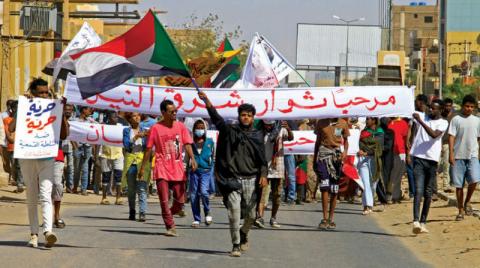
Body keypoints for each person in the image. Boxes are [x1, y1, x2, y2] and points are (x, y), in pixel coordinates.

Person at [198, 90, 267, 257]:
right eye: (243, 115)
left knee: (251, 215)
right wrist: (207, 101)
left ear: (253, 118)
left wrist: (263, 175)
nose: (246, 118)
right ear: (239, 116)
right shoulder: (230, 131)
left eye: (249, 115)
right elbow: (217, 119)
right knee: (234, 212)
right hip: (233, 179)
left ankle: (244, 232)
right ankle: (236, 244)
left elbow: (262, 160)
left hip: (251, 179)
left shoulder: (257, 135)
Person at [10, 78, 69, 248]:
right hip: (27, 155)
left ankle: (48, 232)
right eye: (40, 92)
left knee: (45, 193)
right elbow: (12, 128)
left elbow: (64, 135)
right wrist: (22, 108)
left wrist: (62, 113)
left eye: (46, 92)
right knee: (31, 196)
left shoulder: (54, 108)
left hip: (47, 156)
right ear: (33, 93)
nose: (44, 95)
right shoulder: (26, 106)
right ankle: (33, 234)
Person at [138, 100, 197, 237]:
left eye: (176, 111)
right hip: (161, 167)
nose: (175, 113)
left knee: (180, 201)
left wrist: (193, 158)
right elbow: (148, 149)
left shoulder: (181, 127)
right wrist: (143, 168)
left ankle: (169, 213)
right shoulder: (156, 128)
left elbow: (187, 144)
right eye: (171, 111)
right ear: (163, 113)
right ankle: (170, 226)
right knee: (164, 200)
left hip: (177, 168)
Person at [410, 99, 448, 233]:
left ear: (440, 110)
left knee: (428, 192)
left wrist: (420, 121)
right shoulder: (422, 116)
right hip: (419, 159)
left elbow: (433, 135)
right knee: (419, 190)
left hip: (432, 161)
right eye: (430, 108)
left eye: (434, 109)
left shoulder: (443, 122)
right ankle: (415, 221)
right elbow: (405, 109)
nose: (431, 110)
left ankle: (423, 221)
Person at [256, 120, 293, 228]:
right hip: (264, 168)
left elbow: (290, 138)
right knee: (262, 195)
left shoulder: (281, 130)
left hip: (278, 167)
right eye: (266, 124)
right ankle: (260, 218)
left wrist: (288, 128)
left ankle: (273, 218)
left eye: (270, 124)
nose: (268, 126)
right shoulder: (259, 133)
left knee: (277, 195)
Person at [448, 95, 480, 221]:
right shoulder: (456, 119)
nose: (469, 109)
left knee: (474, 179)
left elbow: (478, 138)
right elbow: (451, 137)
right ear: (462, 106)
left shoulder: (477, 121)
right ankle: (460, 209)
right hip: (458, 156)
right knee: (459, 185)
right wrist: (451, 154)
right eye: (467, 106)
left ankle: (467, 201)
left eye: (472, 107)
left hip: (472, 155)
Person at [314, 118, 349, 230]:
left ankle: (331, 219)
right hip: (323, 155)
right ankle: (324, 218)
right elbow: (318, 141)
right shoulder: (321, 122)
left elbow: (346, 140)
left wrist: (345, 152)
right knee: (324, 186)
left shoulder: (343, 123)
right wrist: (315, 158)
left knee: (334, 189)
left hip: (336, 158)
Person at [123, 112, 149, 221]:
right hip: (130, 162)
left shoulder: (145, 130)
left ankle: (142, 212)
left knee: (142, 188)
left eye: (138, 115)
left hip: (141, 162)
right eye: (134, 116)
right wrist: (136, 137)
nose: (137, 117)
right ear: (130, 119)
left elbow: (148, 146)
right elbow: (127, 146)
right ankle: (132, 211)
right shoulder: (126, 131)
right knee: (131, 190)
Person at [189, 119, 215, 228]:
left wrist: (212, 169)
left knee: (204, 192)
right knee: (194, 195)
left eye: (201, 128)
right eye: (197, 128)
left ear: (205, 130)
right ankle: (197, 219)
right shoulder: (190, 143)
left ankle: (207, 211)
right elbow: (187, 157)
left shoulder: (210, 142)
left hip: (206, 171)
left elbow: (213, 156)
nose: (199, 130)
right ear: (194, 130)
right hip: (194, 172)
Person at [357, 117, 384, 215]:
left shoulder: (380, 132)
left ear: (374, 121)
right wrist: (361, 151)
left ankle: (369, 204)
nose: (367, 121)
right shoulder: (363, 132)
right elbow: (360, 144)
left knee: (373, 184)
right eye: (367, 119)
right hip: (363, 160)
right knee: (365, 183)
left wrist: (367, 152)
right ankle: (367, 206)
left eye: (369, 119)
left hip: (375, 160)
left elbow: (379, 147)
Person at [99, 111, 124, 205]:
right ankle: (104, 198)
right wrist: (97, 154)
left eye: (117, 117)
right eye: (114, 117)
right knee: (106, 177)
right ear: (109, 118)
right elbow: (98, 140)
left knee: (118, 177)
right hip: (105, 154)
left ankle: (118, 198)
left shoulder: (120, 127)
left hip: (118, 154)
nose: (116, 118)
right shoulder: (103, 127)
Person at [72, 106, 94, 195]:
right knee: (77, 169)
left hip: (87, 147)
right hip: (78, 146)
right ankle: (75, 187)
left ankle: (83, 189)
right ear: (84, 110)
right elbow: (71, 133)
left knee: (85, 168)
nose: (90, 111)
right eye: (89, 109)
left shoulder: (91, 121)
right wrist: (75, 146)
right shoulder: (75, 121)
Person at [3, 100, 24, 193]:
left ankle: (20, 184)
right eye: (16, 108)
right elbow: (7, 132)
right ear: (12, 109)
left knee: (19, 165)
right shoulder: (7, 120)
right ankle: (17, 180)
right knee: (14, 165)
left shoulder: (24, 119)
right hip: (11, 146)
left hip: (22, 146)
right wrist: (11, 139)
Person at [387, 117, 409, 203]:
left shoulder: (403, 123)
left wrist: (407, 154)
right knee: (391, 175)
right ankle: (389, 194)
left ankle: (395, 196)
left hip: (401, 151)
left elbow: (406, 139)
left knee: (399, 175)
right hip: (390, 152)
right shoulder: (388, 122)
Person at [440, 98, 455, 193]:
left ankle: (446, 185)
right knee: (436, 165)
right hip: (439, 143)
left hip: (449, 144)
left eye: (449, 106)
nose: (448, 107)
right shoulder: (440, 116)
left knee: (446, 165)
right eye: (446, 106)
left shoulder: (454, 117)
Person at [62, 104, 75, 194]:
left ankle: (69, 186)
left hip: (70, 147)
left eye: (70, 110)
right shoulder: (60, 120)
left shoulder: (74, 122)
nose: (68, 111)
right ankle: (60, 184)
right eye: (66, 109)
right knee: (60, 168)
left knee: (70, 168)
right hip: (60, 147)